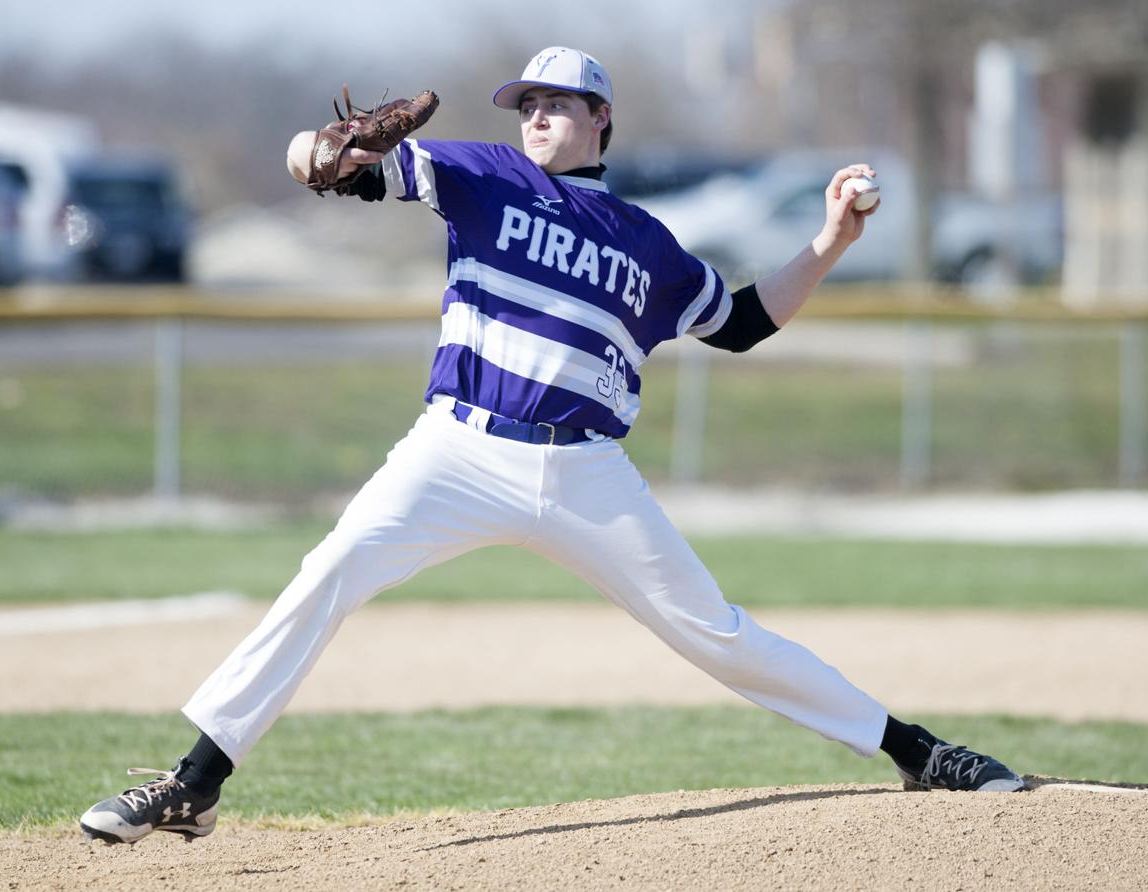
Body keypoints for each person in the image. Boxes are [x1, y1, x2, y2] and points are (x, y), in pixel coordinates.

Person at [80, 46, 1024, 846]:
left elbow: (738, 324)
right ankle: (194, 782)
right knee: (327, 573)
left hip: (585, 471)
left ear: (600, 118)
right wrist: (320, 154)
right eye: (525, 103)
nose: (534, 116)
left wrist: (828, 240)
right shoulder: (483, 174)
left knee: (718, 635)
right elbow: (325, 169)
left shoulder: (647, 242)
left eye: (554, 103)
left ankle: (914, 750)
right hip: (452, 451)